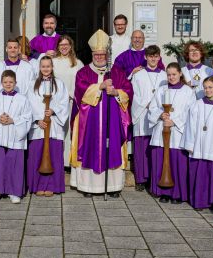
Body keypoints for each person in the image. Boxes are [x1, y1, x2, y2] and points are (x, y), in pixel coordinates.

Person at [70, 29, 131, 197]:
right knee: (90, 148)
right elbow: (80, 92)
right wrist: (100, 87)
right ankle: (87, 187)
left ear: (107, 54)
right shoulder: (83, 72)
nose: (99, 57)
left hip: (112, 121)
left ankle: (112, 187)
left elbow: (128, 90)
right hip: (89, 121)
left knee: (112, 148)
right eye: (96, 54)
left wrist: (117, 93)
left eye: (102, 54)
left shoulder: (117, 72)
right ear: (92, 54)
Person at [182, 76, 213, 209]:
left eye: (210, 87)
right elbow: (190, 125)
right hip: (199, 145)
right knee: (200, 175)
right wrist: (190, 144)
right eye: (205, 88)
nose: (207, 90)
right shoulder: (197, 105)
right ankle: (198, 201)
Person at [147, 62, 194, 203]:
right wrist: (160, 115)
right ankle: (163, 192)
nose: (171, 77)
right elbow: (152, 108)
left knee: (176, 163)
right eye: (169, 75)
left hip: (178, 133)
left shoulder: (188, 91)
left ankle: (177, 194)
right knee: (161, 161)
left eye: (174, 74)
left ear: (180, 74)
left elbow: (191, 112)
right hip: (161, 131)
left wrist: (175, 122)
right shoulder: (161, 90)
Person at [27, 56, 70, 196]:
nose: (46, 69)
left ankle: (52, 186)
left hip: (54, 126)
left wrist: (53, 110)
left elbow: (64, 102)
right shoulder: (33, 84)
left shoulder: (59, 83)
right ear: (39, 68)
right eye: (43, 66)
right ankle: (38, 185)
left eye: (48, 66)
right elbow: (29, 105)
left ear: (52, 67)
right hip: (39, 127)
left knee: (53, 155)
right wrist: (37, 119)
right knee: (37, 155)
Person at [0, 71, 32, 204]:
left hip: (15, 133)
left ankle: (14, 191)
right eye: (5, 82)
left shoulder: (22, 99)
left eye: (11, 82)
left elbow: (28, 117)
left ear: (15, 83)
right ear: (1, 83)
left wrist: (13, 120)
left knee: (15, 163)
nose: (8, 84)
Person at [130, 45, 167, 190]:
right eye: (150, 56)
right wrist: (146, 105)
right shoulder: (138, 75)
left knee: (156, 148)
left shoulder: (165, 75)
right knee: (141, 148)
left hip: (158, 116)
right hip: (142, 114)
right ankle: (141, 179)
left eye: (156, 56)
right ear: (145, 57)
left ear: (159, 57)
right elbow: (134, 95)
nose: (153, 59)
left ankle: (154, 177)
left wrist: (157, 109)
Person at [52, 35, 84, 169]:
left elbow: (82, 83)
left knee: (71, 131)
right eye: (61, 45)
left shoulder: (78, 63)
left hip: (72, 101)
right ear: (58, 47)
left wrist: (72, 94)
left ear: (71, 46)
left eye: (66, 45)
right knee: (57, 131)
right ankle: (57, 161)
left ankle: (69, 162)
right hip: (56, 103)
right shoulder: (52, 62)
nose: (64, 47)